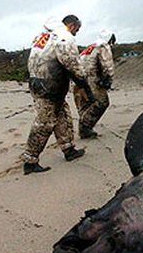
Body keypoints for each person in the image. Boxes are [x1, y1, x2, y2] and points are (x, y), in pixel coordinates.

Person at [22, 15, 95, 175]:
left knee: (63, 115)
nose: (77, 32)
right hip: (49, 85)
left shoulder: (44, 36)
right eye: (77, 28)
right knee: (44, 122)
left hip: (38, 81)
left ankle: (68, 149)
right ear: (72, 25)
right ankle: (30, 160)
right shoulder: (64, 37)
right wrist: (84, 86)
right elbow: (71, 63)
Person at [73, 29, 116, 139]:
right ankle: (85, 127)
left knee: (85, 105)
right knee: (102, 103)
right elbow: (108, 65)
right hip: (92, 79)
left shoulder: (90, 47)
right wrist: (108, 80)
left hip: (78, 79)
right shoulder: (103, 46)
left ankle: (84, 127)